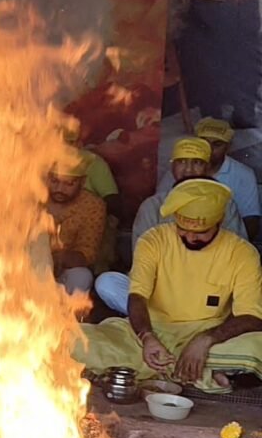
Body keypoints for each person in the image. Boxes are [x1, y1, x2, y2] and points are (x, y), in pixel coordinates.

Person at [74, 179, 262, 393]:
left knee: (257, 346)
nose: (190, 237)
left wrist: (206, 339)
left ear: (219, 221)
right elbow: (137, 297)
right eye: (183, 229)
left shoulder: (243, 253)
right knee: (70, 339)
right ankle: (204, 373)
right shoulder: (154, 241)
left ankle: (173, 369)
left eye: (201, 232)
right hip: (148, 334)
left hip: (207, 337)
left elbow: (251, 317)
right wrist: (147, 337)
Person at [95, 138, 246, 314]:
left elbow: (236, 255)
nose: (188, 170)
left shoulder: (224, 205)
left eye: (197, 163)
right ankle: (162, 320)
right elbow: (142, 260)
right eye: (182, 162)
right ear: (173, 167)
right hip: (160, 290)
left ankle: (161, 321)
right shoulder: (152, 206)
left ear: (207, 169)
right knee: (107, 283)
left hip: (206, 287)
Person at [176, 0, 261, 129]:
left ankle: (244, 114)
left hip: (246, 1)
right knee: (211, 65)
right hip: (210, 1)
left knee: (248, 60)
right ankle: (213, 122)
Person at [157, 118, 260, 240]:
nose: (209, 149)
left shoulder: (241, 180)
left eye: (217, 144)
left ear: (228, 147)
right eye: (204, 142)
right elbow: (157, 209)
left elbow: (250, 221)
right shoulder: (178, 172)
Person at [47, 152, 106, 294]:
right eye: (54, 181)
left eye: (69, 183)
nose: (60, 189)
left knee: (82, 276)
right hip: (22, 269)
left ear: (83, 181)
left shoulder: (92, 205)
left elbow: (88, 252)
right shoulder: (31, 197)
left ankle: (65, 315)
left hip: (62, 271)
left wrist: (57, 259)